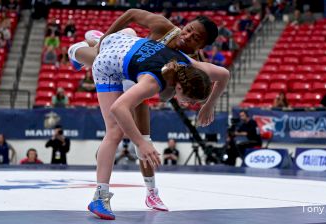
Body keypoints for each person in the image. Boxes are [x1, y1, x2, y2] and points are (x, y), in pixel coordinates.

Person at [69, 9, 219, 214]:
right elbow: (130, 12)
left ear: (202, 46)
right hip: (123, 67)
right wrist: (105, 39)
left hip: (133, 64)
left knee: (142, 137)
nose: (187, 37)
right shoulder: (166, 31)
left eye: (195, 38)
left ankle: (151, 192)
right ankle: (79, 48)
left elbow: (223, 75)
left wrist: (208, 105)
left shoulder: (191, 64)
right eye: (188, 30)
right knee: (128, 136)